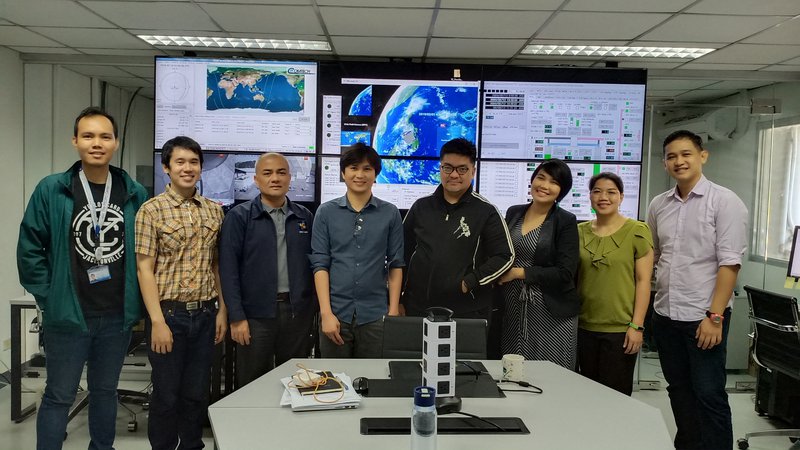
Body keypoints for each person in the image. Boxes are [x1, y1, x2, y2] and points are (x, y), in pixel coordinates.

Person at [17, 106, 148, 450]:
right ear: (75, 141)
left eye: (105, 136)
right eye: (88, 136)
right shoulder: (53, 189)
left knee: (105, 392)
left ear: (116, 142)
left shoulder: (133, 192)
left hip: (116, 317)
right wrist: (50, 297)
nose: (96, 143)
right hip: (68, 317)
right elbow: (30, 249)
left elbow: (146, 254)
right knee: (59, 396)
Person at [646, 130, 747, 450]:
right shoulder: (659, 204)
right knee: (678, 390)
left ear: (703, 156)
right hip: (666, 315)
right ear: (664, 163)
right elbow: (657, 254)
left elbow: (730, 264)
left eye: (686, 154)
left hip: (703, 317)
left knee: (709, 394)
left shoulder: (725, 201)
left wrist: (715, 316)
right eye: (672, 156)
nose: (679, 161)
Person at [135, 136, 227, 450]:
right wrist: (157, 321)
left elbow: (216, 265)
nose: (187, 168)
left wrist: (222, 311)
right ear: (166, 168)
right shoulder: (150, 211)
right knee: (166, 395)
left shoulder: (214, 211)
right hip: (169, 316)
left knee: (196, 393)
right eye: (180, 162)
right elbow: (144, 270)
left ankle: (191, 445)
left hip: (205, 314)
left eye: (193, 162)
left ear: (201, 168)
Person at [219, 152, 316, 388]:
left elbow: (315, 267)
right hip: (255, 317)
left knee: (297, 382)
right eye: (267, 173)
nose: (275, 178)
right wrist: (237, 318)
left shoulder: (304, 217)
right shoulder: (239, 217)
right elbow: (228, 270)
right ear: (256, 179)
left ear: (289, 178)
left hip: (296, 316)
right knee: (253, 384)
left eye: (281, 172)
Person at [402, 138, 514, 324]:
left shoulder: (486, 211)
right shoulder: (421, 207)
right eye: (448, 167)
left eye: (462, 169)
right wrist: (398, 300)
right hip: (418, 308)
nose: (454, 175)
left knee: (462, 355)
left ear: (473, 172)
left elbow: (505, 256)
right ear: (440, 168)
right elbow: (402, 253)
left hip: (467, 312)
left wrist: (470, 282)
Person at [310, 143, 404, 358]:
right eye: (353, 168)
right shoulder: (325, 212)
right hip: (335, 314)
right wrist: (326, 313)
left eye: (367, 169)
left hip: (375, 316)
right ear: (343, 173)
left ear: (376, 174)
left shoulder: (390, 213)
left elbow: (396, 263)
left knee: (375, 382)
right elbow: (320, 264)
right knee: (335, 384)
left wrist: (392, 312)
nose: (360, 174)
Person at [576, 172, 653, 395]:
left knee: (616, 395)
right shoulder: (578, 232)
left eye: (611, 192)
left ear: (621, 196)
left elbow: (643, 280)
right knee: (588, 394)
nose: (603, 197)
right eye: (597, 191)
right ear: (590, 197)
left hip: (621, 329)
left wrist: (637, 326)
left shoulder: (637, 231)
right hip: (584, 327)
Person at [498, 159, 579, 369]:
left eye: (553, 182)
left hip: (549, 309)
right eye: (540, 177)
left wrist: (519, 273)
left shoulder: (565, 221)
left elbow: (565, 272)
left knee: (549, 373)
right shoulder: (514, 212)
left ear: (561, 190)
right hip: (513, 303)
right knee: (512, 369)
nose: (544, 185)